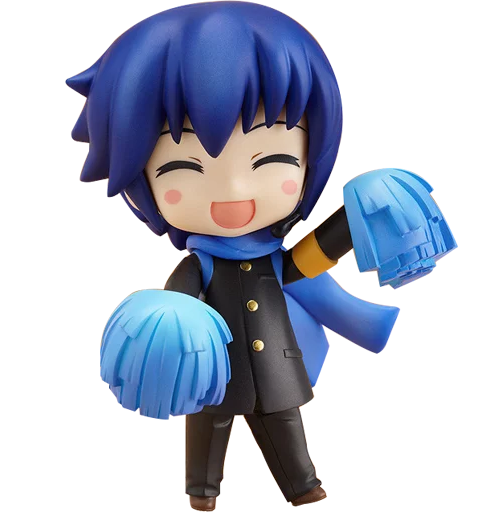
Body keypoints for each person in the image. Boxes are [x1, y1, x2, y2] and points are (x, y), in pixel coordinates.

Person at [66, 3, 454, 511]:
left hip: (276, 366)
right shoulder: (196, 267)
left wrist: (361, 212)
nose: (234, 192)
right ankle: (202, 496)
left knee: (285, 428)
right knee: (208, 429)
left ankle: (305, 490)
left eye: (271, 160)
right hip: (211, 370)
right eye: (184, 168)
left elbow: (309, 261)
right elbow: (177, 304)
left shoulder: (277, 255)